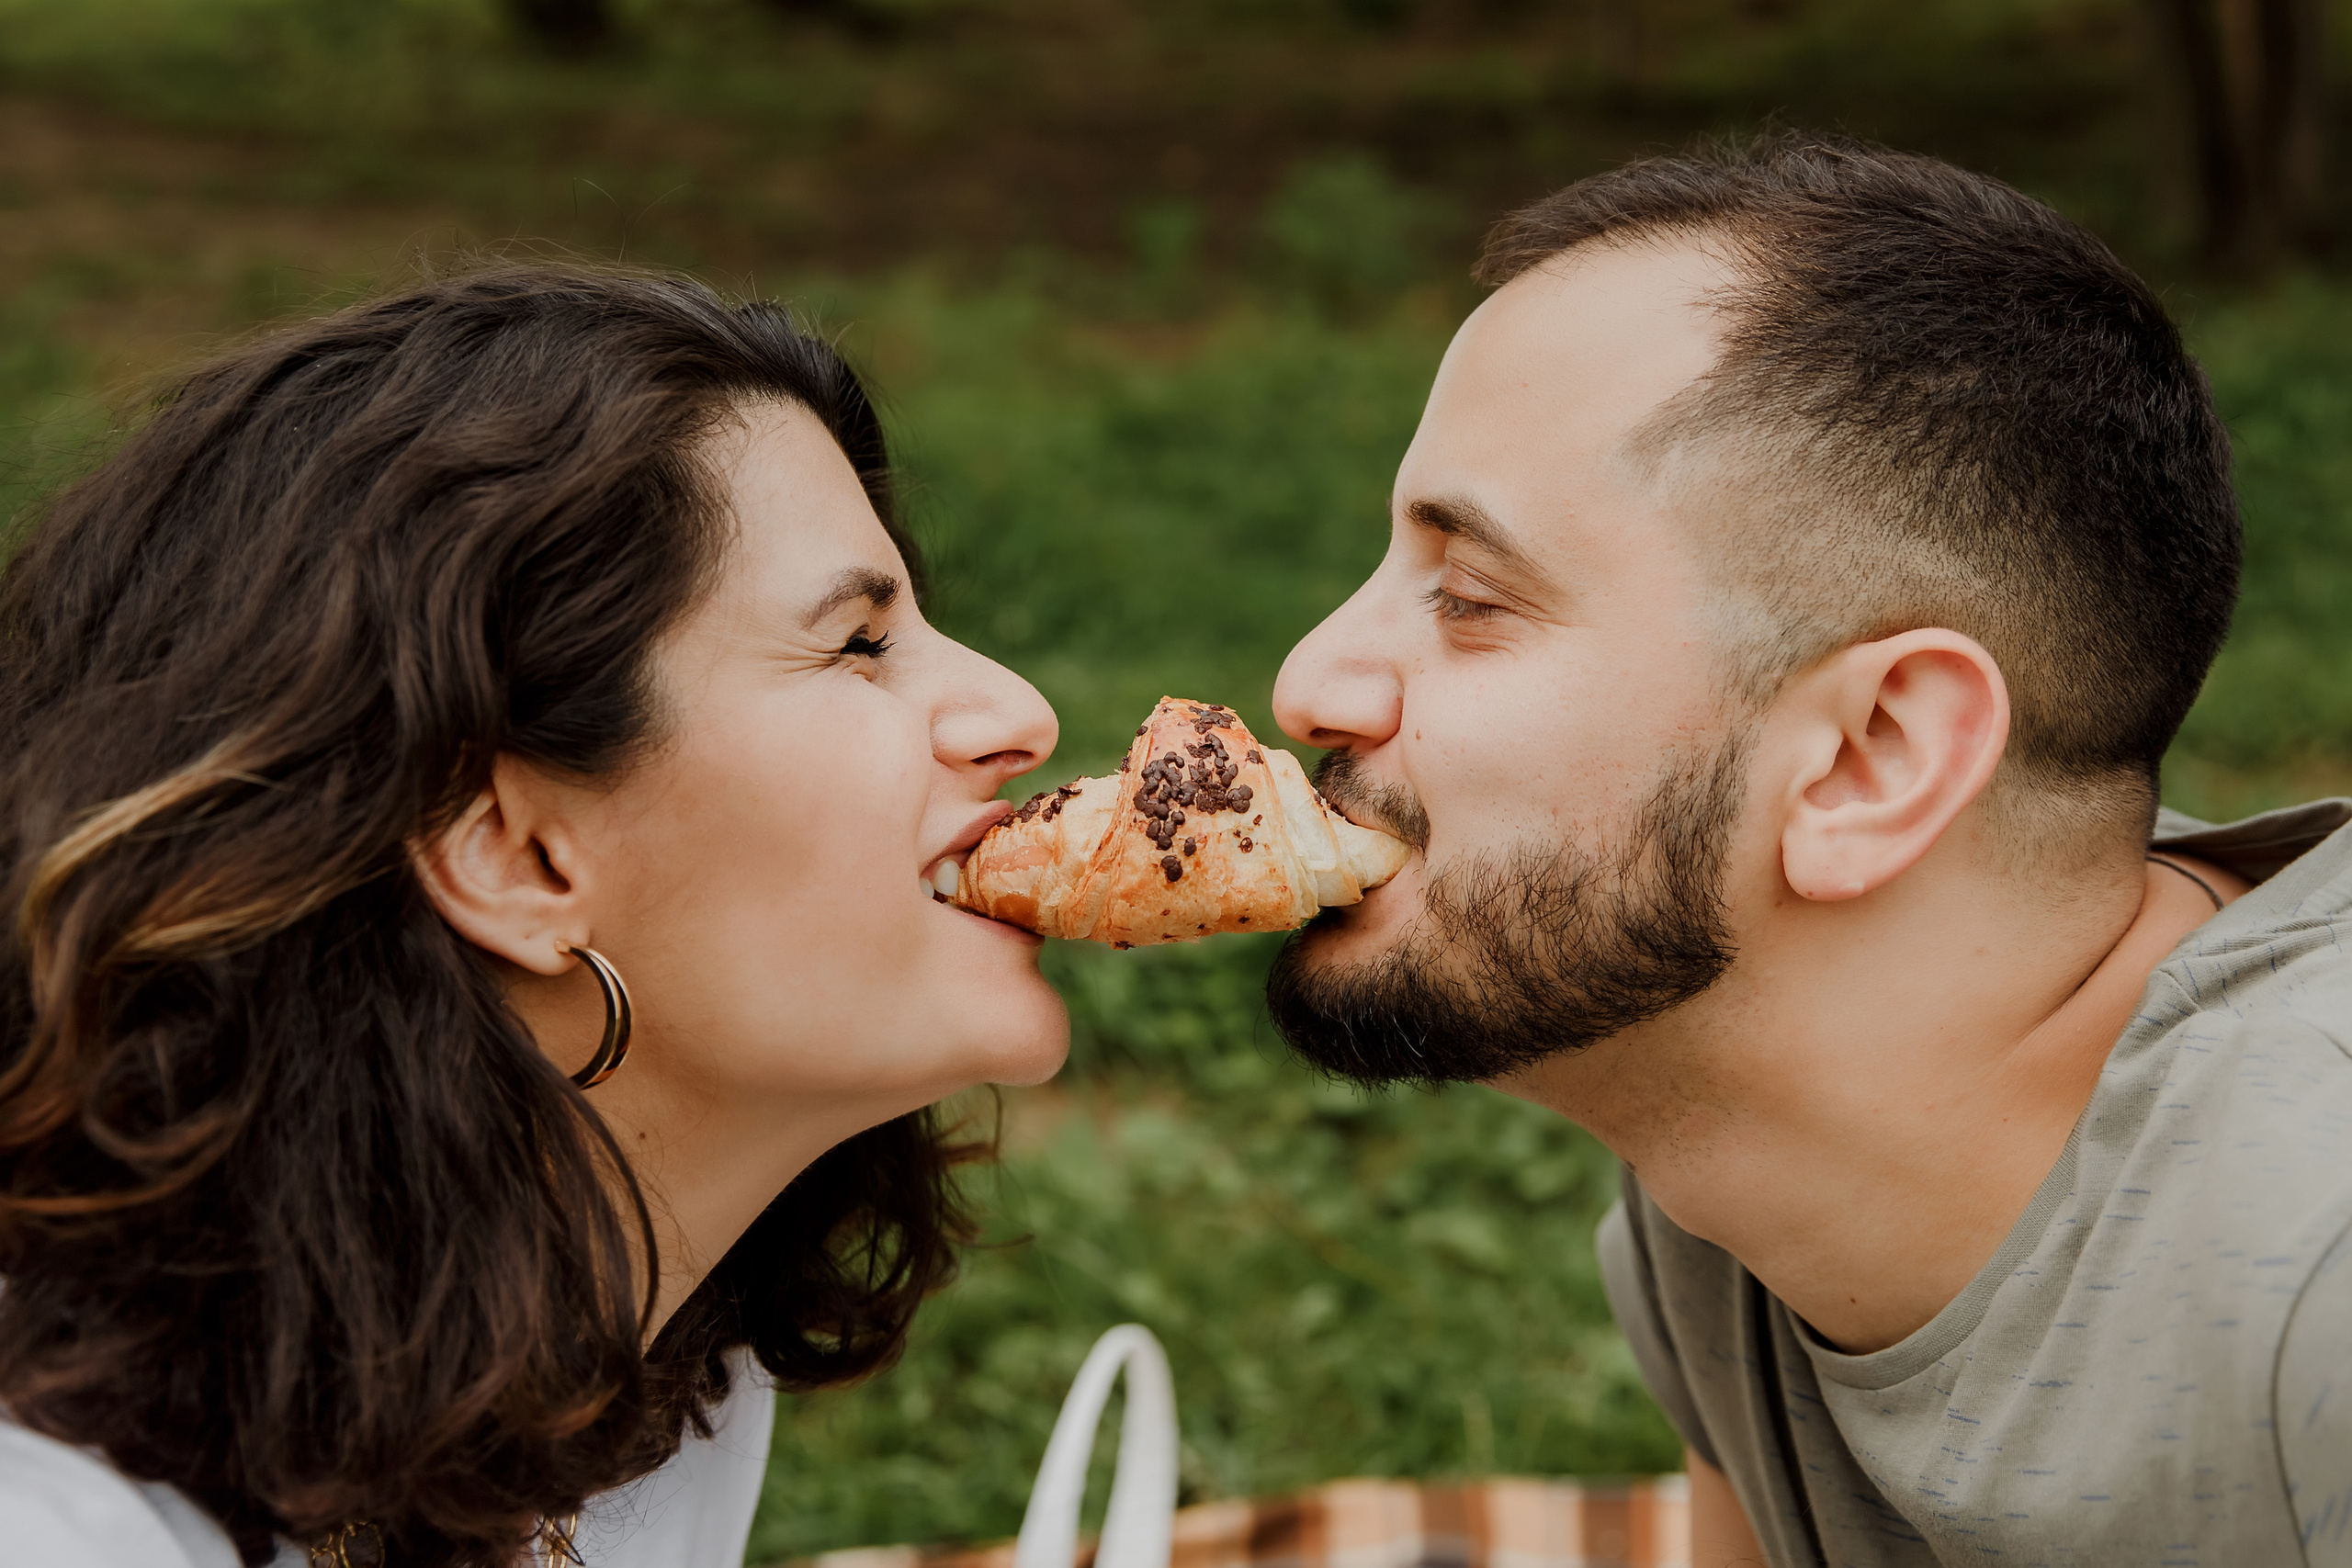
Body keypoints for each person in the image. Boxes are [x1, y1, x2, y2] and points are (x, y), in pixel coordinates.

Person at [1263, 132, 2352, 1566]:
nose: (1310, 682)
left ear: (1870, 760)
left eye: (1471, 596)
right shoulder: (1730, 1165)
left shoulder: (2313, 1265)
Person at [0, 265, 1069, 1566]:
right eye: (855, 643)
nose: (1021, 715)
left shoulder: (663, 1370)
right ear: (514, 856)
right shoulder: (60, 1523)